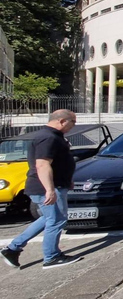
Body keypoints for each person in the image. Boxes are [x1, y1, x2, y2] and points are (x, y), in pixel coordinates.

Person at [1, 110, 83, 270]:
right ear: (62, 121)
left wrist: (68, 179)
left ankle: (12, 249)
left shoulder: (53, 136)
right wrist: (50, 190)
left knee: (48, 219)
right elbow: (42, 164)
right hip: (46, 187)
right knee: (57, 220)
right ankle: (51, 257)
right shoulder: (48, 137)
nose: (74, 125)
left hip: (54, 185)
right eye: (73, 122)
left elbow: (58, 162)